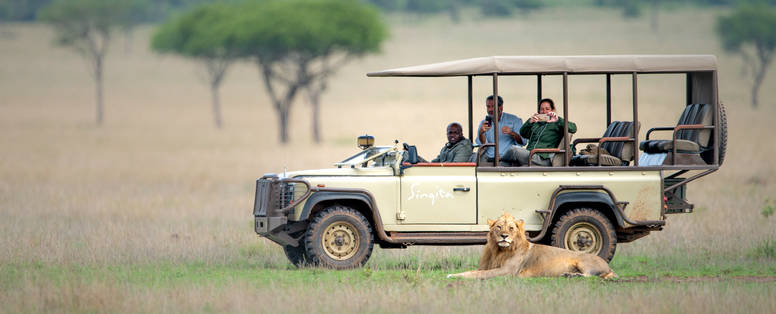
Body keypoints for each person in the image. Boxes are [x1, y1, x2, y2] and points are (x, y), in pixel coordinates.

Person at [503, 98, 577, 166]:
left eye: (547, 109)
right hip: (531, 155)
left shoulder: (557, 123)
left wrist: (558, 120)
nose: (544, 111)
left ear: (552, 110)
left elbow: (573, 128)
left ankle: (500, 158)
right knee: (505, 164)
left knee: (514, 149)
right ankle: (500, 163)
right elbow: (523, 133)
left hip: (543, 158)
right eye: (542, 109)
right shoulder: (537, 124)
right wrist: (530, 122)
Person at [475, 95, 525, 162]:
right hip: (489, 158)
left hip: (508, 159)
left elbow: (523, 142)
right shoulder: (483, 123)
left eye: (493, 106)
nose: (490, 109)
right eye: (488, 107)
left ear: (501, 108)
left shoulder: (514, 120)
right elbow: (484, 145)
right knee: (473, 162)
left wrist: (512, 133)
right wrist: (481, 133)